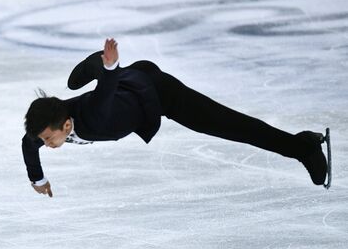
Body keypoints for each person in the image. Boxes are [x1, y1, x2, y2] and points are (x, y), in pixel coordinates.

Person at [22, 38, 330, 197]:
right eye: (44, 140)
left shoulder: (93, 117)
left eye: (49, 139)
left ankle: (303, 147)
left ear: (65, 126)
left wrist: (110, 68)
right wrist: (38, 178)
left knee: (231, 125)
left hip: (157, 94)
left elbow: (105, 93)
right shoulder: (52, 125)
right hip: (131, 88)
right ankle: (95, 65)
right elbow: (28, 142)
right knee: (96, 81)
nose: (47, 145)